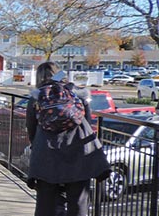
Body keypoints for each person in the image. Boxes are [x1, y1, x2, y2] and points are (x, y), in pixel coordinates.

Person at [26, 62, 110, 216]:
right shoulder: (77, 93)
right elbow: (88, 122)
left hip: (47, 154)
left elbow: (31, 128)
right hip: (78, 152)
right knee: (78, 203)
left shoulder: (37, 97)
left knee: (47, 203)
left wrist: (35, 145)